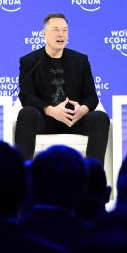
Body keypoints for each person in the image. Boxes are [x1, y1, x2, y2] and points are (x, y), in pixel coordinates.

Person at [16, 13, 111, 163]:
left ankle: (93, 173)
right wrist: (51, 110)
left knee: (100, 118)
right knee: (26, 114)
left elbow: (91, 95)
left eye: (65, 30)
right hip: (46, 119)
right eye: (56, 30)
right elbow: (26, 96)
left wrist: (83, 110)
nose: (61, 34)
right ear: (44, 34)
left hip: (74, 119)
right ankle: (21, 173)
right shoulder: (30, 61)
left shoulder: (80, 60)